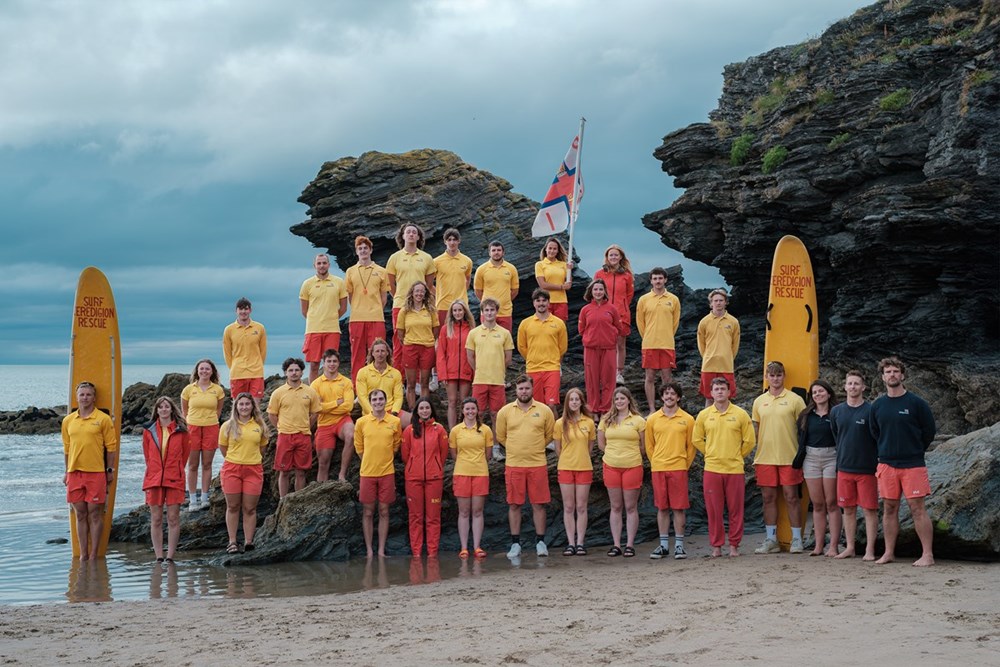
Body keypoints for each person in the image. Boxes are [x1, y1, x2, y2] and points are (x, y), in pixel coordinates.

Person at [869, 357, 936, 567]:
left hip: (913, 464)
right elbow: (874, 433)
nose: (892, 375)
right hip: (887, 464)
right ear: (883, 377)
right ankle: (889, 552)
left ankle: (927, 555)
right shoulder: (877, 405)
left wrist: (914, 451)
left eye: (896, 371)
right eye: (888, 372)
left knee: (918, 508)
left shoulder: (917, 403)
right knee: (889, 508)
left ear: (903, 375)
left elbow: (929, 432)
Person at [693, 377, 756, 557]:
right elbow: (696, 439)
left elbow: (750, 441)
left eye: (723, 388)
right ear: (711, 393)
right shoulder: (704, 415)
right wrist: (710, 452)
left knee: (736, 509)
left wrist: (736, 455)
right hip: (712, 468)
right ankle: (716, 546)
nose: (720, 391)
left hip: (734, 469)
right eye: (716, 389)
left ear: (729, 392)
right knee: (714, 511)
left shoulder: (741, 414)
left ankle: (734, 546)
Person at [495, 375, 556, 559]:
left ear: (532, 388)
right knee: (514, 505)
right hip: (514, 464)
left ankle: (540, 542)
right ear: (516, 390)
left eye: (527, 388)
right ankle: (515, 544)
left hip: (537, 464)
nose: (524, 392)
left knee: (539, 504)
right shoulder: (505, 412)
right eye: (521, 388)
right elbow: (501, 437)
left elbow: (549, 436)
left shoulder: (545, 410)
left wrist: (535, 449)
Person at [752, 361, 808, 554]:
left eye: (778, 375)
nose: (775, 379)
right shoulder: (759, 401)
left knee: (792, 497)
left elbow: (804, 429)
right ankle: (771, 539)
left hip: (789, 457)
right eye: (771, 375)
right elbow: (756, 429)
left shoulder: (795, 399)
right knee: (768, 498)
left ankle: (797, 540)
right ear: (766, 377)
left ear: (784, 376)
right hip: (765, 458)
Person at [62, 381, 118, 560]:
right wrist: (66, 472)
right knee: (80, 513)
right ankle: (83, 554)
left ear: (94, 397)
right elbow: (67, 448)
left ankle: (94, 554)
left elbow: (111, 447)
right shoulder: (68, 420)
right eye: (82, 395)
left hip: (96, 473)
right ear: (77, 397)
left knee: (94, 513)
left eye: (88, 395)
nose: (85, 398)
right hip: (74, 472)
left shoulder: (103, 419)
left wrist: (109, 470)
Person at [831, 370, 879, 561]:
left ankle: (869, 549)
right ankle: (850, 547)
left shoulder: (871, 411)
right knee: (848, 509)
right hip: (844, 467)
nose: (853, 387)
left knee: (869, 510)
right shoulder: (836, 411)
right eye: (850, 384)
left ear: (863, 387)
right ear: (845, 387)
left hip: (867, 468)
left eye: (856, 384)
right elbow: (836, 435)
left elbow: (877, 436)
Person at [644, 382, 695, 559]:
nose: (669, 397)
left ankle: (679, 546)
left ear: (678, 397)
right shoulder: (652, 419)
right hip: (658, 468)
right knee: (662, 508)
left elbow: (691, 447)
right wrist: (656, 462)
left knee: (679, 508)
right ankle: (663, 545)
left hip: (679, 468)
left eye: (673, 394)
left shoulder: (688, 419)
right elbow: (649, 445)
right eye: (666, 394)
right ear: (661, 397)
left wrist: (683, 464)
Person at [793, 379, 842, 557]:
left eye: (821, 391)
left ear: (828, 393)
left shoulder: (837, 413)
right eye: (814, 392)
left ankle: (834, 546)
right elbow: (800, 437)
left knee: (832, 503)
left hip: (831, 457)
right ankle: (818, 546)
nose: (818, 395)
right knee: (818, 504)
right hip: (811, 459)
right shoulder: (806, 415)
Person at [219, 392, 270, 554]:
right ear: (236, 406)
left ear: (252, 406)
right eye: (241, 404)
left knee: (250, 508)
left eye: (247, 404)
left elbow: (262, 448)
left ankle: (249, 542)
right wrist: (236, 459)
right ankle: (232, 542)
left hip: (253, 469)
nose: (244, 407)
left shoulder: (260, 426)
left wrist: (250, 459)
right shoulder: (227, 426)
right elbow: (223, 448)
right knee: (233, 506)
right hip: (232, 469)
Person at [597, 387, 646, 558]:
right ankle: (617, 544)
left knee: (631, 507)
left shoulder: (639, 420)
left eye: (622, 398)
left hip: (632, 465)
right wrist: (612, 454)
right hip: (611, 466)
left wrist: (629, 454)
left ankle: (630, 545)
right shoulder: (606, 420)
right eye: (616, 399)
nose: (619, 401)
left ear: (628, 400)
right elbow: (601, 444)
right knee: (616, 506)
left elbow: (644, 446)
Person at [354, 388, 403, 558]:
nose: (378, 402)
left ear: (386, 400)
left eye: (380, 399)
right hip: (367, 472)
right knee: (368, 512)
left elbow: (396, 445)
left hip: (387, 472)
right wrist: (368, 459)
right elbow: (359, 447)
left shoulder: (394, 421)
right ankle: (369, 550)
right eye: (374, 399)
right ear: (370, 402)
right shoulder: (361, 422)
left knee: (384, 511)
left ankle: (381, 550)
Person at [141, 397, 189, 563]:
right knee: (156, 518)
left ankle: (170, 556)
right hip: (154, 479)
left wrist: (174, 470)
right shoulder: (149, 431)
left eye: (166, 406)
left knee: (173, 518)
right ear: (157, 410)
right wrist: (155, 471)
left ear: (171, 409)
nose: (163, 409)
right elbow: (147, 455)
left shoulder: (181, 430)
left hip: (174, 478)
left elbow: (185, 456)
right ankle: (159, 556)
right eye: (160, 407)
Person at [401, 397, 449, 558]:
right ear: (416, 411)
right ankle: (416, 553)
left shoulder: (440, 429)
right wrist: (413, 467)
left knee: (433, 517)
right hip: (413, 479)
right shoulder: (409, 430)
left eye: (427, 408)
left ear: (431, 410)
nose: (424, 411)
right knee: (415, 517)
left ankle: (432, 553)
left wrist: (435, 467)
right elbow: (405, 455)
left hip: (434, 479)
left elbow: (443, 454)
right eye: (421, 408)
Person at [267, 357, 321, 498]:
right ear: (286, 373)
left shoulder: (310, 392)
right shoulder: (278, 393)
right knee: (283, 471)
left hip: (303, 435)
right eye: (291, 370)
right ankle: (282, 500)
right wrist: (280, 428)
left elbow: (315, 412)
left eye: (297, 370)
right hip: (285, 436)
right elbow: (272, 415)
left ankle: (298, 499)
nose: (294, 373)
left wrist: (307, 426)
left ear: (302, 372)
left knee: (301, 471)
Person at [387, 223, 436, 370]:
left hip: (421, 306)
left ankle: (419, 381)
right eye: (408, 232)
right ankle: (399, 379)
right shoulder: (394, 258)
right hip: (400, 305)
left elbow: (428, 285)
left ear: (419, 236)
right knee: (399, 341)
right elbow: (391, 285)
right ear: (402, 236)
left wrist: (419, 300)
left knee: (420, 342)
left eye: (414, 232)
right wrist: (402, 298)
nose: (411, 234)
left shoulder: (426, 258)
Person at [553, 387, 595, 556]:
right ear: (567, 403)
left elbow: (590, 448)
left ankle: (580, 543)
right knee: (569, 507)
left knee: (581, 506)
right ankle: (570, 543)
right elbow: (558, 449)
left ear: (581, 402)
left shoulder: (589, 422)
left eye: (577, 399)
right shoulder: (559, 423)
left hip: (584, 467)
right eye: (571, 399)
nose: (574, 402)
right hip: (565, 468)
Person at [450, 397, 493, 559]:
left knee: (477, 511)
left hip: (480, 473)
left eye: (473, 409)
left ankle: (476, 546)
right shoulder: (456, 431)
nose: (470, 412)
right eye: (467, 409)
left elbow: (488, 454)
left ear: (477, 410)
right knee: (464, 511)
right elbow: (454, 454)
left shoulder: (486, 430)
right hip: (461, 473)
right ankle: (463, 547)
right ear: (462, 411)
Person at [180, 358, 225, 511]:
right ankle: (193, 499)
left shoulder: (218, 390)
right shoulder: (188, 389)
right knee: (192, 465)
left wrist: (209, 420)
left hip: (211, 428)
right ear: (197, 371)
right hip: (192, 429)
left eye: (207, 369)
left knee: (207, 464)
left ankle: (205, 497)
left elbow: (218, 411)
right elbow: (184, 412)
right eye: (202, 369)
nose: (204, 371)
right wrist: (192, 422)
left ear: (212, 372)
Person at [578, 279, 626, 418]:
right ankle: (593, 410)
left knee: (608, 380)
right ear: (591, 292)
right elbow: (581, 329)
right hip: (591, 349)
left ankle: (606, 410)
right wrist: (590, 338)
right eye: (595, 289)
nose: (598, 292)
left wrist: (610, 336)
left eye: (600, 289)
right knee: (592, 380)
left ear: (604, 291)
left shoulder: (612, 309)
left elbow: (619, 327)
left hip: (609, 349)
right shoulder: (585, 310)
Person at [635, 267, 682, 413]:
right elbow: (640, 323)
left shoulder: (673, 299)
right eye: (655, 278)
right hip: (649, 344)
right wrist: (648, 336)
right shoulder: (644, 300)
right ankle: (651, 409)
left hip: (667, 344)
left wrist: (666, 335)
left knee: (667, 378)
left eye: (660, 278)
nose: (658, 281)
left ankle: (667, 407)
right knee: (649, 377)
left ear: (665, 280)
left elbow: (675, 323)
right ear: (651, 281)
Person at [344, 235, 389, 384]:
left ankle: (376, 385)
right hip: (356, 318)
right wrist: (359, 308)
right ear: (357, 252)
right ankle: (357, 389)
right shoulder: (350, 271)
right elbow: (350, 296)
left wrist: (375, 309)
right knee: (357, 354)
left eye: (365, 248)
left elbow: (384, 297)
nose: (363, 251)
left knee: (378, 353)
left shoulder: (381, 271)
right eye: (360, 249)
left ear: (370, 250)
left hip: (376, 318)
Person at [516, 288, 568, 415]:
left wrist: (555, 360)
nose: (541, 303)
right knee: (536, 406)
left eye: (544, 300)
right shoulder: (525, 324)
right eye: (538, 301)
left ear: (549, 303)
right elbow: (522, 347)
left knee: (551, 405)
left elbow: (563, 347)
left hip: (552, 368)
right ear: (534, 303)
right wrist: (532, 358)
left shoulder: (558, 323)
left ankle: (553, 434)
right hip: (533, 369)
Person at [299, 253, 348, 384]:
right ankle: (314, 394)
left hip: (332, 330)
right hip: (313, 330)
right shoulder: (307, 284)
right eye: (319, 263)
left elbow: (343, 308)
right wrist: (316, 319)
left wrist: (330, 317)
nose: (321, 266)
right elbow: (304, 310)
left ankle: (330, 391)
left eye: (324, 263)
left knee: (331, 364)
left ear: (329, 265)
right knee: (314, 365)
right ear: (314, 265)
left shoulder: (338, 282)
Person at [465, 297, 514, 429]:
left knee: (496, 415)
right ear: (482, 312)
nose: (489, 313)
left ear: (496, 312)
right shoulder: (473, 333)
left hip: (497, 380)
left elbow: (508, 358)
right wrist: (478, 370)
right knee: (477, 413)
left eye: (492, 310)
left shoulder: (505, 333)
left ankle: (496, 446)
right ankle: (478, 443)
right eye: (486, 310)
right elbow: (470, 356)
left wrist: (498, 370)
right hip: (479, 380)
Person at [310, 349, 355, 482]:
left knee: (351, 435)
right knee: (323, 464)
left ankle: (342, 474)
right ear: (324, 363)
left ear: (339, 363)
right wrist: (336, 403)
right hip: (324, 424)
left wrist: (325, 406)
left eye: (334, 361)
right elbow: (316, 407)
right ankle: (321, 489)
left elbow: (348, 406)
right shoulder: (315, 384)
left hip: (343, 420)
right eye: (329, 361)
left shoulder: (346, 382)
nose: (332, 364)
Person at [593, 244, 634, 385]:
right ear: (607, 257)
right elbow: (595, 292)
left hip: (622, 314)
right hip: (604, 314)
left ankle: (619, 373)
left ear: (621, 257)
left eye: (616, 255)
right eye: (611, 255)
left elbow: (629, 295)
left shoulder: (627, 276)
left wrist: (621, 307)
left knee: (620, 344)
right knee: (603, 343)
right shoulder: (599, 274)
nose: (614, 257)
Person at [396, 281, 438, 409]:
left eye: (422, 291)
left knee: (425, 382)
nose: (419, 294)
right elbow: (400, 333)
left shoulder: (431, 310)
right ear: (412, 293)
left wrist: (427, 340)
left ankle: (424, 410)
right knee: (411, 384)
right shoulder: (404, 311)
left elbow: (435, 330)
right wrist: (411, 341)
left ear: (425, 293)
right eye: (417, 291)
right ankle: (414, 412)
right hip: (410, 347)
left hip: (427, 348)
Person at [697, 288, 740, 406]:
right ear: (711, 303)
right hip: (708, 365)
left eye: (721, 300)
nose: (718, 303)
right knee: (709, 397)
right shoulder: (704, 322)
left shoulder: (733, 322)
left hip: (726, 366)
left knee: (726, 398)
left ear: (726, 302)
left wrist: (728, 357)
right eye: (715, 300)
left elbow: (735, 345)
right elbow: (701, 344)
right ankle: (707, 422)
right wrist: (707, 356)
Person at [436, 300, 475, 429]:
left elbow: (475, 353)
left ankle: (464, 429)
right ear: (451, 313)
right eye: (455, 310)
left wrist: (475, 372)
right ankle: (453, 432)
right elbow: (441, 352)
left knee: (465, 401)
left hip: (466, 369)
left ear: (464, 311)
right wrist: (442, 374)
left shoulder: (471, 329)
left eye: (460, 310)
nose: (457, 313)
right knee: (452, 402)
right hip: (450, 371)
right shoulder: (445, 329)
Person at [356, 338, 411, 428]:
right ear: (372, 353)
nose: (380, 354)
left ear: (387, 353)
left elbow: (398, 397)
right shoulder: (363, 372)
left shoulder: (395, 373)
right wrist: (374, 413)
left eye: (382, 351)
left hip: (391, 411)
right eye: (377, 351)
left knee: (415, 422)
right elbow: (362, 397)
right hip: (370, 413)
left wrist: (394, 413)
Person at [222, 297, 267, 405]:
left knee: (255, 408)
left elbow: (263, 350)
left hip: (256, 373)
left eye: (246, 309)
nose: (243, 312)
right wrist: (234, 366)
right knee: (238, 407)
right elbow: (227, 352)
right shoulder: (229, 329)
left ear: (250, 310)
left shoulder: (259, 328)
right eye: (240, 309)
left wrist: (258, 365)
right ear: (236, 311)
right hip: (237, 373)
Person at [473, 240, 519, 333]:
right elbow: (478, 291)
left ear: (503, 252)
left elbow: (515, 290)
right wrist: (488, 304)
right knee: (487, 341)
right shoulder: (481, 269)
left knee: (505, 342)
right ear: (489, 253)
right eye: (493, 250)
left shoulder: (511, 268)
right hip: (487, 313)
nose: (496, 252)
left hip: (505, 312)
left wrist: (505, 300)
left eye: (499, 250)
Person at [433, 228, 473, 326]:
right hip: (442, 305)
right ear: (445, 242)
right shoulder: (436, 262)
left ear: (459, 241)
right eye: (449, 239)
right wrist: (438, 294)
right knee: (443, 335)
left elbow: (467, 279)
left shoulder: (467, 261)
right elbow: (428, 283)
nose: (452, 242)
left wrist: (462, 293)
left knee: (461, 334)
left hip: (461, 305)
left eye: (454, 239)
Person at [534, 237, 573, 321]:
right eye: (550, 248)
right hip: (545, 301)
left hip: (561, 301)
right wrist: (561, 287)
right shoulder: (540, 264)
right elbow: (543, 285)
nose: (552, 251)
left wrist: (569, 270)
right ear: (545, 249)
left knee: (560, 327)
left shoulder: (563, 264)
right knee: (545, 328)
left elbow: (568, 285)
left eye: (554, 249)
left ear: (558, 250)